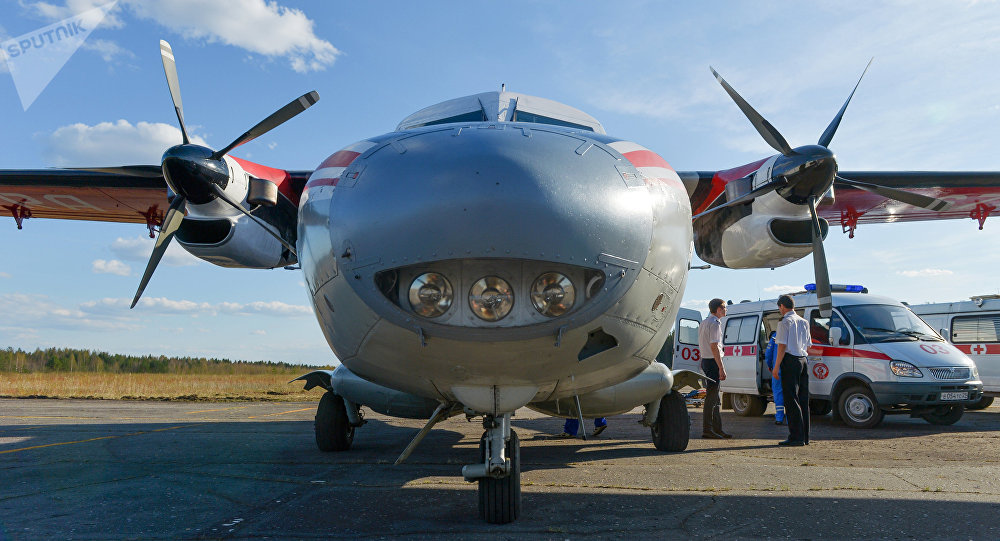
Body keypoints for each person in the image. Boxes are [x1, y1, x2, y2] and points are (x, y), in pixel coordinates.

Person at [771, 294, 811, 446]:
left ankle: (795, 437)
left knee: (791, 399)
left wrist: (776, 367)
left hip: (790, 360)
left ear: (782, 306)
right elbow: (808, 344)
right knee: (803, 399)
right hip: (803, 359)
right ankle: (805, 436)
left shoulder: (784, 322)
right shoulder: (804, 321)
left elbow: (781, 346)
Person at [698, 298, 732, 439]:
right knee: (712, 398)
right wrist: (721, 368)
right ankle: (707, 429)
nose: (726, 310)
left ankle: (717, 429)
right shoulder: (715, 323)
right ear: (718, 309)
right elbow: (714, 346)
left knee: (715, 398)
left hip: (706, 361)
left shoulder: (704, 322)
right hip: (712, 362)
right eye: (724, 307)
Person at [764, 331, 786, 425]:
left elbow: (768, 354)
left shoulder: (774, 337)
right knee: (790, 393)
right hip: (790, 369)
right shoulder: (793, 333)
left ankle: (779, 418)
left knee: (778, 392)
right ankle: (791, 419)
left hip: (778, 369)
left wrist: (770, 365)